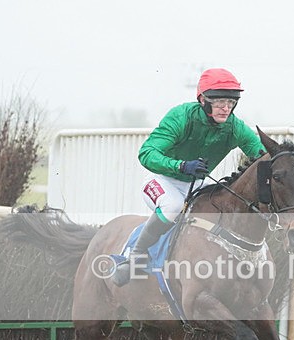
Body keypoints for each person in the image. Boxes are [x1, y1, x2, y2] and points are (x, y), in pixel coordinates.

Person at [112, 68, 266, 286]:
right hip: (161, 179)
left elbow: (261, 154)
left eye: (231, 102)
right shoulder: (181, 116)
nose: (226, 108)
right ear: (203, 100)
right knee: (173, 206)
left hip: (196, 183)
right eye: (220, 101)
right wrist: (181, 166)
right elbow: (146, 153)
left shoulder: (235, 127)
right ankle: (135, 256)